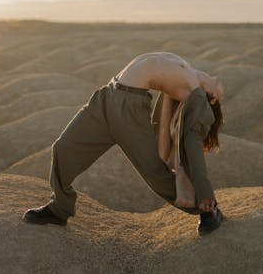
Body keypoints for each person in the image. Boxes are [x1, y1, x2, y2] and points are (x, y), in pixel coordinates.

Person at [22, 52, 225, 235]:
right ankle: (59, 209)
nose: (220, 84)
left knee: (156, 174)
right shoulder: (193, 73)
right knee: (63, 148)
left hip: (130, 108)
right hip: (106, 97)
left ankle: (206, 209)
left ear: (213, 99)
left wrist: (206, 194)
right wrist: (207, 79)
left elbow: (193, 148)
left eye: (220, 90)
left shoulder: (199, 99)